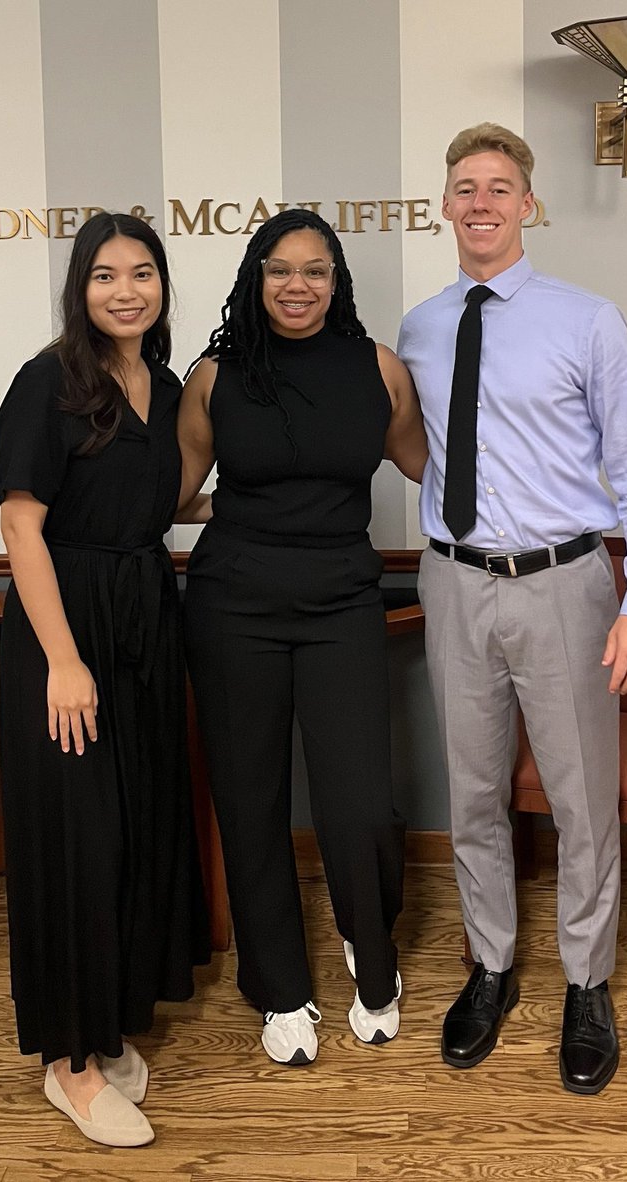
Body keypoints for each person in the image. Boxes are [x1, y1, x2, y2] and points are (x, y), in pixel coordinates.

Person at [397, 123, 627, 1094]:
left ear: (529, 205)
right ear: (446, 205)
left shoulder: (586, 320)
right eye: (464, 186)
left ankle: (586, 981)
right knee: (472, 793)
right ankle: (491, 966)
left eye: (500, 186)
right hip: (453, 582)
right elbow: (424, 449)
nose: (480, 202)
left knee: (580, 802)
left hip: (565, 587)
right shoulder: (421, 327)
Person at [177, 208, 427, 1066]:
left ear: (336, 280)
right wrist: (233, 508)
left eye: (315, 270)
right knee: (249, 803)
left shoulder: (378, 369)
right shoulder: (215, 376)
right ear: (256, 276)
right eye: (280, 269)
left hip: (340, 602)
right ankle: (278, 985)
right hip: (231, 604)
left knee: (359, 797)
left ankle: (371, 946)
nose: (297, 285)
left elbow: (431, 466)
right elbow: (174, 493)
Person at [0, 211, 210, 1147]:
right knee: (78, 845)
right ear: (79, 289)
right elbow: (20, 526)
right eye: (106, 275)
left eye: (144, 273)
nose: (127, 290)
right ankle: (69, 1066)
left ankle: (108, 1017)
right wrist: (64, 660)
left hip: (144, 617)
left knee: (133, 827)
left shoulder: (160, 385)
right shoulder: (47, 383)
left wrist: (262, 489)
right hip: (66, 626)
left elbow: (152, 502)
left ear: (162, 286)